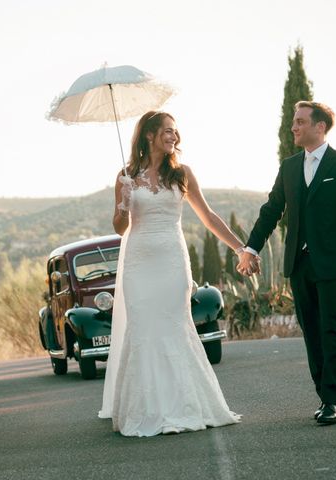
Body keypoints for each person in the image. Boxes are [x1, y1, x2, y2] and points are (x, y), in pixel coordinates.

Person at [98, 111, 244, 437]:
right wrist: (123, 203)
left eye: (175, 132)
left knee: (172, 327)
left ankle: (183, 406)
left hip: (172, 263)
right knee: (143, 329)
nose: (173, 137)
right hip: (138, 264)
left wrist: (239, 248)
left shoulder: (182, 174)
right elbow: (120, 228)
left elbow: (208, 217)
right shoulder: (125, 177)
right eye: (167, 131)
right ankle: (148, 410)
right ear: (149, 135)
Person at [237, 101, 336, 425]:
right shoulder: (288, 167)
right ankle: (324, 394)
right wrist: (251, 249)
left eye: (300, 122)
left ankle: (332, 400)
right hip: (298, 264)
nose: (294, 127)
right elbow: (271, 210)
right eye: (293, 122)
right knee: (312, 331)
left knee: (333, 329)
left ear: (320, 127)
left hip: (332, 262)